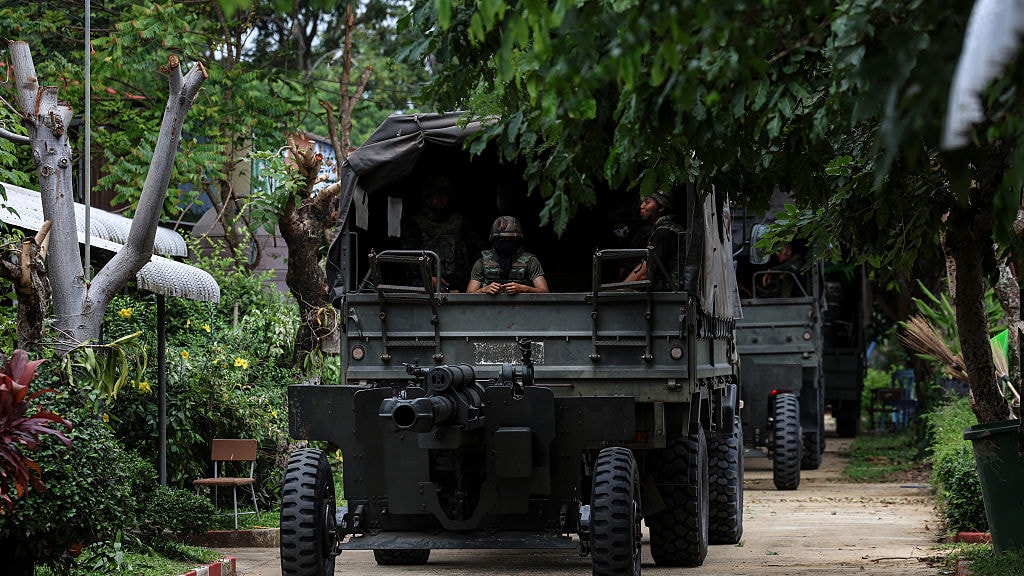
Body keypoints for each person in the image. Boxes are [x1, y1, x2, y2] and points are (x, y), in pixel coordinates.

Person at [401, 175, 480, 292]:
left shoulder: (460, 221)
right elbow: (409, 257)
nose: (439, 198)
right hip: (426, 282)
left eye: (443, 195)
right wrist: (426, 276)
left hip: (459, 280)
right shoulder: (416, 223)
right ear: (427, 197)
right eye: (435, 195)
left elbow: (477, 248)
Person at [466, 216, 549, 294]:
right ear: (494, 240)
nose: (506, 242)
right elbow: (468, 295)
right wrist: (484, 290)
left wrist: (524, 289)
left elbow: (545, 292)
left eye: (511, 239)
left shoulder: (530, 261)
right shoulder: (482, 262)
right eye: (501, 239)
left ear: (518, 240)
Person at [623, 190, 683, 289]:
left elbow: (644, 273)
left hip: (668, 295)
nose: (641, 206)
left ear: (661, 208)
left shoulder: (663, 233)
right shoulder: (667, 229)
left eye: (647, 202)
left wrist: (620, 290)